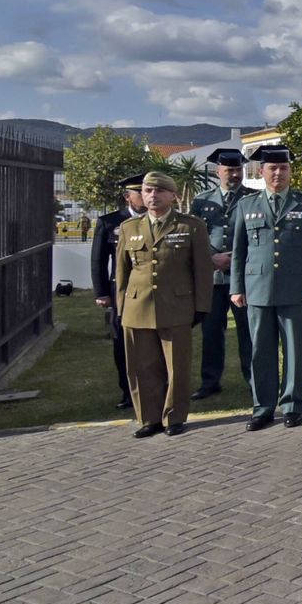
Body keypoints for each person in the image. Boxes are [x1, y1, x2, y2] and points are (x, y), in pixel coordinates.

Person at [229, 145, 302, 430]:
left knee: (295, 350)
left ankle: (293, 405)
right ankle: (262, 407)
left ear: (291, 172)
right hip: (257, 289)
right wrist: (237, 287)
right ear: (262, 172)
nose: (278, 173)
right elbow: (239, 251)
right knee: (261, 350)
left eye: (283, 168)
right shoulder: (246, 205)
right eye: (272, 168)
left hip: (296, 288)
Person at [114, 172, 213, 437]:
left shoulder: (191, 226)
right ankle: (149, 418)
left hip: (176, 306)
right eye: (147, 191)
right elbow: (122, 272)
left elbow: (202, 269)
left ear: (173, 195)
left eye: (159, 191)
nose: (152, 196)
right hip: (137, 307)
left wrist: (201, 305)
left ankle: (174, 417)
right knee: (141, 366)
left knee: (177, 366)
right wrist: (121, 306)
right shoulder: (129, 228)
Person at [190, 148, 257, 399]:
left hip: (244, 277)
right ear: (218, 172)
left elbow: (258, 235)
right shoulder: (202, 201)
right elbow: (195, 236)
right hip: (214, 279)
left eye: (238, 170)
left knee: (248, 332)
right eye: (229, 170)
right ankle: (210, 381)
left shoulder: (253, 198)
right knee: (212, 332)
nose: (234, 175)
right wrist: (211, 258)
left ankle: (253, 378)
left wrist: (237, 258)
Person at [91, 173, 147, 410]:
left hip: (151, 292)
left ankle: (155, 388)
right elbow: (98, 261)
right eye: (140, 193)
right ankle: (127, 391)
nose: (146, 196)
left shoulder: (157, 219)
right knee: (122, 344)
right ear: (128, 197)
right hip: (121, 293)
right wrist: (102, 293)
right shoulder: (111, 222)